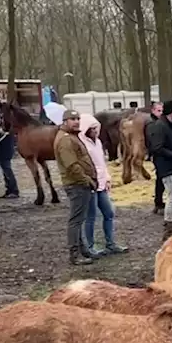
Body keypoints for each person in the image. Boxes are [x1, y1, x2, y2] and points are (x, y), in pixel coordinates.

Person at [78, 114, 128, 257]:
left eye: (96, 128)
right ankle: (90, 247)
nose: (95, 131)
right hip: (91, 184)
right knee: (91, 216)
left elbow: (101, 163)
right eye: (92, 128)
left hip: (101, 183)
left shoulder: (98, 143)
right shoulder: (82, 145)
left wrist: (107, 178)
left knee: (109, 213)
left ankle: (110, 243)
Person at [54, 110, 98, 265]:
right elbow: (72, 165)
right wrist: (87, 180)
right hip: (76, 184)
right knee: (76, 220)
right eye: (72, 119)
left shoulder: (72, 137)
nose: (76, 121)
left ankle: (82, 250)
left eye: (78, 118)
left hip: (79, 183)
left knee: (79, 219)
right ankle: (75, 254)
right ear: (65, 121)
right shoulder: (66, 140)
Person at [147, 100, 172, 231]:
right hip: (167, 167)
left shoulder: (171, 125)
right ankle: (169, 225)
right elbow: (157, 147)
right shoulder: (160, 126)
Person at [0, 114, 20, 198]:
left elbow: (6, 135)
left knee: (7, 170)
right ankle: (9, 189)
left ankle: (13, 190)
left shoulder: (8, 124)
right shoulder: (0, 124)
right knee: (5, 170)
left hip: (5, 151)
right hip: (2, 151)